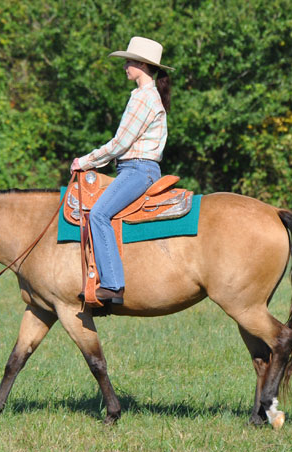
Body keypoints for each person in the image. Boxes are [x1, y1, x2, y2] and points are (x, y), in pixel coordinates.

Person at [70, 36, 173, 305]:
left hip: (137, 170)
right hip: (138, 168)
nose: (125, 65)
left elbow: (120, 143)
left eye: (128, 61)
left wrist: (85, 161)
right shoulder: (149, 96)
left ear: (141, 64)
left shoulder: (143, 98)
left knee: (99, 214)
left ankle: (113, 285)